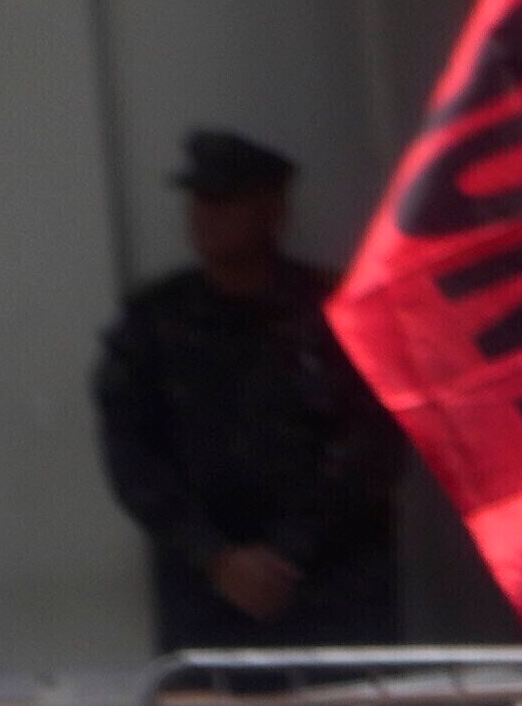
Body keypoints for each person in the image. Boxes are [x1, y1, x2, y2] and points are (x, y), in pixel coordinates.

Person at [90, 130, 404, 654]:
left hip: (333, 589)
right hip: (209, 595)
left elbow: (376, 444)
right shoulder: (155, 323)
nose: (205, 215)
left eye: (225, 199)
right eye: (198, 199)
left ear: (274, 211)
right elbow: (132, 456)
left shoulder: (337, 312)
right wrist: (214, 556)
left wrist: (289, 552)